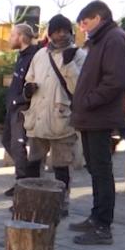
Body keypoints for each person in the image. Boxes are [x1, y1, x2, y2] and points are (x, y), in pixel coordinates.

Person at [69, 0, 125, 245]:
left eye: (85, 21)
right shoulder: (101, 39)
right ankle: (97, 217)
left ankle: (103, 226)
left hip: (100, 115)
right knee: (95, 169)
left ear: (99, 17)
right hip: (92, 115)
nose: (83, 27)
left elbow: (116, 80)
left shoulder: (114, 39)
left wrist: (88, 101)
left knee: (102, 170)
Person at [22, 14, 85, 217]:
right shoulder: (40, 54)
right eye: (57, 31)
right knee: (33, 162)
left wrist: (69, 66)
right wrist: (28, 89)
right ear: (50, 34)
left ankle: (61, 203)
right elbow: (29, 77)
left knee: (61, 166)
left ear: (70, 32)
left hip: (62, 119)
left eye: (64, 30)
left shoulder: (79, 55)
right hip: (39, 117)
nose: (61, 35)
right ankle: (30, 199)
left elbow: (80, 88)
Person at [1, 23, 40, 195]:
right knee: (6, 140)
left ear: (22, 37)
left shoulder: (34, 57)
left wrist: (22, 99)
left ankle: (23, 181)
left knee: (18, 144)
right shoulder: (22, 55)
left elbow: (34, 84)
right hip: (13, 106)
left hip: (23, 108)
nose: (9, 38)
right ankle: (26, 174)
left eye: (12, 35)